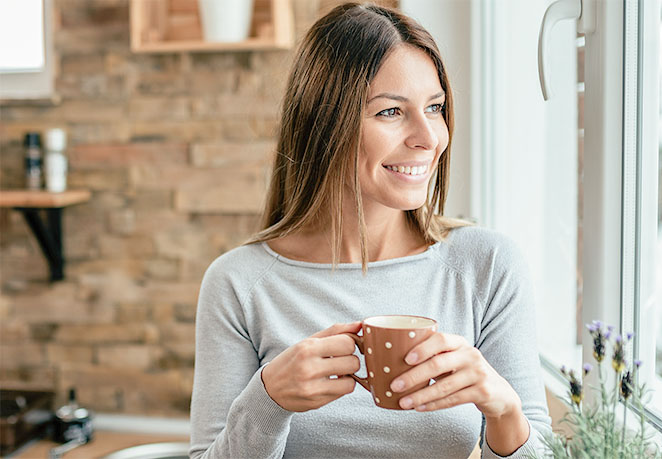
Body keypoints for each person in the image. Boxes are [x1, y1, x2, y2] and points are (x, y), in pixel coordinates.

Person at [189, 3, 551, 458]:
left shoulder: (487, 267)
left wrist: (502, 409)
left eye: (435, 107)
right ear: (325, 124)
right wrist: (267, 401)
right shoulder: (238, 283)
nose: (428, 136)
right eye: (391, 112)